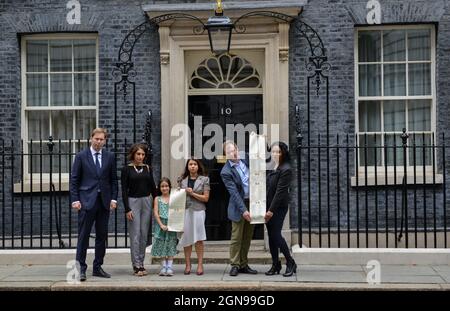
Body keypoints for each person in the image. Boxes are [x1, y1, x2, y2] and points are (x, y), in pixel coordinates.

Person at [70, 128, 118, 282]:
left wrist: (114, 199)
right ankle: (81, 269)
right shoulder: (81, 156)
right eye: (96, 139)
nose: (99, 142)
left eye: (101, 139)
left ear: (105, 141)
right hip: (86, 202)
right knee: (83, 237)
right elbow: (74, 180)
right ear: (91, 138)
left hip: (104, 202)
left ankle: (97, 267)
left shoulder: (110, 157)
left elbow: (113, 180)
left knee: (101, 236)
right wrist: (75, 200)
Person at [220, 140, 257, 277]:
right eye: (229, 152)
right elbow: (234, 193)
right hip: (238, 206)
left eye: (234, 149)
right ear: (225, 155)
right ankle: (234, 264)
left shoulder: (246, 158)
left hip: (252, 203)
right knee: (236, 237)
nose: (233, 153)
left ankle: (243, 264)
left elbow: (259, 156)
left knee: (247, 236)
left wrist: (261, 141)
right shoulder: (226, 172)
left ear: (237, 149)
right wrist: (244, 210)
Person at [121, 143, 157, 277]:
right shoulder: (126, 169)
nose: (141, 157)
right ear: (133, 154)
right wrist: (127, 208)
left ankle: (141, 263)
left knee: (143, 234)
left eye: (142, 154)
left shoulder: (148, 168)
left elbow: (153, 187)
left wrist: (158, 201)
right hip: (133, 201)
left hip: (147, 201)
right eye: (138, 154)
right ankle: (136, 264)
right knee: (135, 234)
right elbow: (124, 190)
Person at [264, 141, 297, 277]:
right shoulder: (274, 166)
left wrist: (271, 210)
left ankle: (290, 262)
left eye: (278, 152)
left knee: (276, 234)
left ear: (283, 153)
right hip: (269, 206)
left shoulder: (286, 169)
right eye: (273, 152)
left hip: (278, 207)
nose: (275, 154)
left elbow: (280, 192)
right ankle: (275, 264)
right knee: (271, 235)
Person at [178, 158, 210, 276]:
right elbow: (178, 197)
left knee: (199, 239)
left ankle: (200, 264)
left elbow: (206, 198)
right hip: (185, 211)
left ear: (198, 166)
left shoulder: (204, 179)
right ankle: (188, 264)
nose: (192, 166)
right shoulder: (182, 180)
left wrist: (192, 193)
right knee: (186, 238)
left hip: (198, 211)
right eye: (190, 164)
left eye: (195, 164)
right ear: (187, 167)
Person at [151, 177, 178, 276]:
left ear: (170, 187)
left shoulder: (174, 197)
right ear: (159, 188)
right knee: (162, 245)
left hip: (171, 225)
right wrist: (161, 225)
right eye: (162, 186)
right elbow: (155, 212)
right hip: (161, 224)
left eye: (166, 186)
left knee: (170, 244)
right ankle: (163, 267)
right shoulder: (157, 199)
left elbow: (177, 211)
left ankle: (170, 267)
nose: (164, 188)